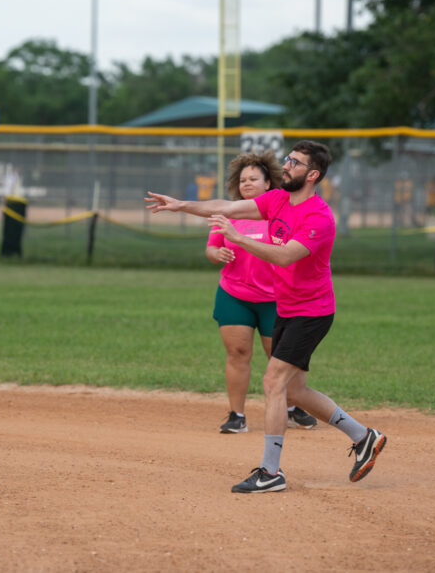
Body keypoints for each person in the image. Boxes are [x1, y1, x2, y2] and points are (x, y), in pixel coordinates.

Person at [146, 140, 385, 493]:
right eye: (288, 159)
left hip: (311, 311)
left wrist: (237, 238)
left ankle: (270, 471)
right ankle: (363, 437)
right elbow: (226, 207)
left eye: (295, 162)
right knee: (295, 390)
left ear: (312, 175)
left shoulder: (318, 217)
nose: (286, 165)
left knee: (274, 382)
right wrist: (182, 205)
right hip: (288, 307)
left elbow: (285, 256)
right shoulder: (278, 200)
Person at [207, 152, 317, 434]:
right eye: (242, 179)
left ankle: (291, 408)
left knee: (279, 359)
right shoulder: (229, 213)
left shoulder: (282, 212)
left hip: (275, 298)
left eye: (253, 178)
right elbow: (211, 247)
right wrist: (216, 253)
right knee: (238, 353)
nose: (246, 183)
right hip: (234, 295)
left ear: (268, 183)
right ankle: (236, 415)